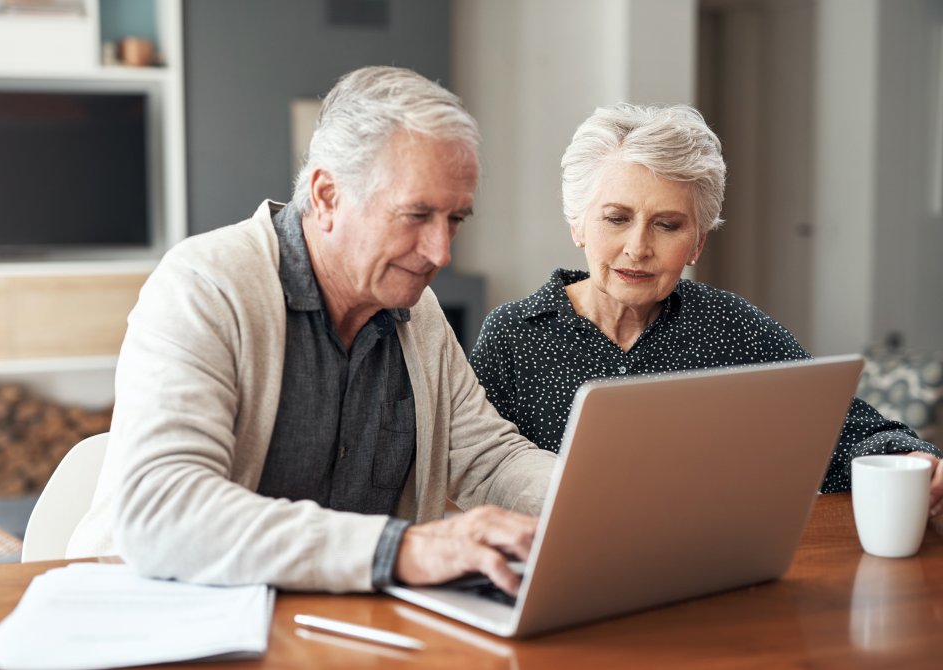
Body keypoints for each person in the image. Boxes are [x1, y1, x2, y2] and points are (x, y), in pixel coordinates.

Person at [68, 66, 556, 596]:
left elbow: (489, 458)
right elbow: (165, 509)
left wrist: (609, 500)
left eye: (455, 219)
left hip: (335, 626)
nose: (441, 252)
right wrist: (401, 550)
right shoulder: (204, 286)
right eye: (416, 215)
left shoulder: (421, 315)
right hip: (165, 614)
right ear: (326, 197)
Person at [470, 103, 943, 515]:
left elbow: (841, 429)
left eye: (667, 225)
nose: (638, 248)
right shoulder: (513, 335)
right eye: (616, 218)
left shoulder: (733, 328)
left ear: (697, 242)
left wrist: (911, 458)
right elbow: (469, 477)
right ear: (578, 224)